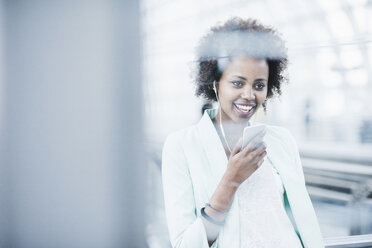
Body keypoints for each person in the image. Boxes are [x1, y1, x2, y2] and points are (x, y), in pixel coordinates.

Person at [161, 17, 324, 248]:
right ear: (216, 84)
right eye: (237, 83)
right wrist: (231, 179)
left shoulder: (281, 141)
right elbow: (184, 245)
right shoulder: (181, 146)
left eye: (259, 85)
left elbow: (302, 224)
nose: (249, 95)